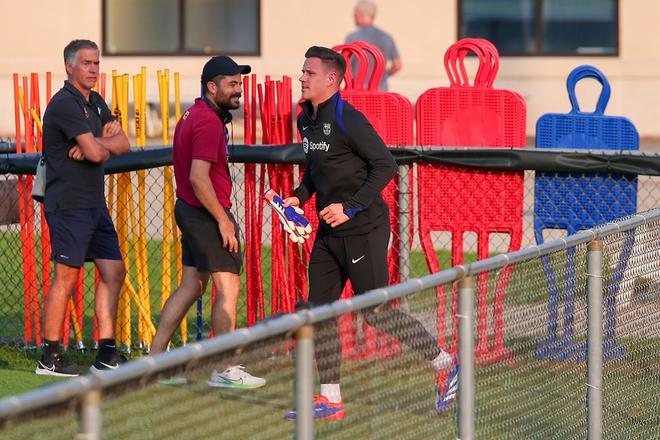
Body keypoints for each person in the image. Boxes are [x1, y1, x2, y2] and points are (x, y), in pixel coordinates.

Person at [284, 46, 456, 420]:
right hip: (328, 235)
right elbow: (316, 169)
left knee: (375, 312)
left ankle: (444, 362)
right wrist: (299, 198)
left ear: (331, 79)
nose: (302, 78)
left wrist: (349, 207)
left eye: (309, 73)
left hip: (365, 229)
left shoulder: (349, 118)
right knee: (319, 313)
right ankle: (330, 399)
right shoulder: (305, 119)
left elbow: (386, 166)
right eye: (302, 72)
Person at [150, 55, 265, 389]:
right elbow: (199, 178)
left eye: (239, 84)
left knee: (191, 286)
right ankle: (225, 368)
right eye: (231, 84)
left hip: (190, 209)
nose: (238, 90)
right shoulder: (208, 122)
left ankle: (155, 363)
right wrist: (223, 221)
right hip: (204, 212)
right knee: (227, 287)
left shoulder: (195, 114)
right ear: (211, 86)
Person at [37, 39, 130, 377]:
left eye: (96, 63)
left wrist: (97, 143)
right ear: (69, 67)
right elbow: (94, 154)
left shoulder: (97, 102)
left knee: (114, 271)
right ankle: (49, 356)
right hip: (68, 206)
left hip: (94, 205)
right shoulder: (63, 104)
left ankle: (106, 354)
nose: (94, 69)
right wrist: (95, 147)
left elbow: (123, 144)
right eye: (87, 63)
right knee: (67, 277)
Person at [345, 0, 401, 91]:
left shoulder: (352, 37)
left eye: (354, 14)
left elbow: (345, 65)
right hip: (380, 90)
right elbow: (397, 65)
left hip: (358, 91)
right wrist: (384, 76)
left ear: (359, 14)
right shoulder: (386, 37)